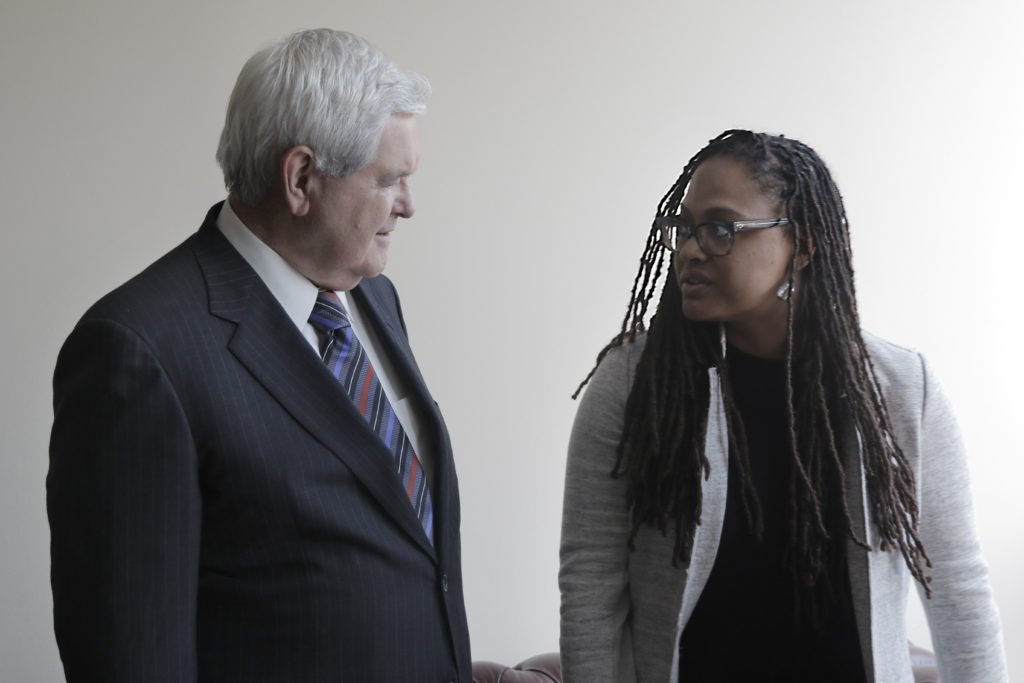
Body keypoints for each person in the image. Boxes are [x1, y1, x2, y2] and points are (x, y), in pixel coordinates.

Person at [47, 29, 471, 682]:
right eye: (391, 179)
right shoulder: (138, 352)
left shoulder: (373, 297)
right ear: (301, 178)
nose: (409, 206)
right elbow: (132, 658)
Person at [559, 130, 1007, 682]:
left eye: (721, 228)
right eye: (684, 228)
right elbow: (591, 584)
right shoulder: (635, 382)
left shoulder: (898, 389)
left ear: (803, 246)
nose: (691, 249)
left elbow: (957, 585)